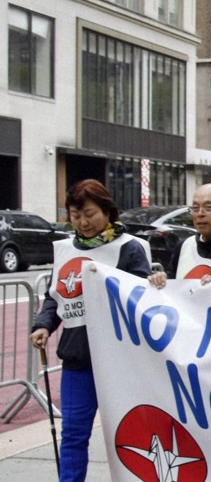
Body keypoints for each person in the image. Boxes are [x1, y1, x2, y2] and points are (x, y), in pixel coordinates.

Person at [30, 179, 162, 482]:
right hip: (79, 359)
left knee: (136, 435)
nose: (83, 222)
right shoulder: (64, 250)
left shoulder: (129, 248)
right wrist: (43, 325)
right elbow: (56, 295)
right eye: (75, 215)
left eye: (89, 213)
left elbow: (141, 297)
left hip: (122, 362)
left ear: (107, 210)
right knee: (74, 433)